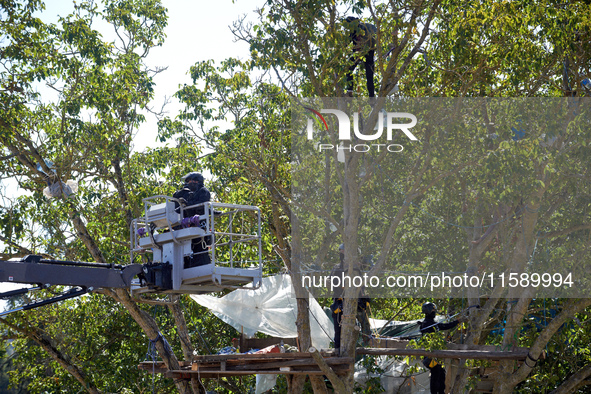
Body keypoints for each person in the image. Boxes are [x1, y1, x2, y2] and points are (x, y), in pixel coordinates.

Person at [330, 244, 372, 351]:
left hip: (358, 303)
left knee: (366, 328)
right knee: (339, 332)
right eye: (342, 252)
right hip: (341, 304)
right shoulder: (337, 268)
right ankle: (339, 352)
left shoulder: (359, 269)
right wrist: (343, 286)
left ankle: (367, 349)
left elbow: (364, 284)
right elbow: (331, 283)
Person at [420, 302, 464, 394]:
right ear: (429, 312)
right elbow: (440, 328)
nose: (434, 312)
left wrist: (457, 321)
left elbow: (444, 326)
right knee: (436, 374)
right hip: (430, 355)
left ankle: (441, 392)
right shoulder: (426, 324)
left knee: (441, 374)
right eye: (433, 310)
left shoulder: (432, 323)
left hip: (435, 355)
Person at [173, 172, 212, 268]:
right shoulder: (187, 193)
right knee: (188, 249)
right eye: (188, 181)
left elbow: (200, 206)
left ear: (197, 181)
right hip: (188, 227)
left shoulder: (203, 191)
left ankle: (202, 265)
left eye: (192, 181)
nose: (190, 183)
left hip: (200, 225)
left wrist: (188, 204)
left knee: (200, 250)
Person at [344, 16, 377, 97]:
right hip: (366, 53)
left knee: (349, 69)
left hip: (364, 53)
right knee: (369, 78)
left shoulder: (359, 28)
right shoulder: (361, 27)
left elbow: (346, 43)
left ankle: (350, 91)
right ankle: (371, 100)